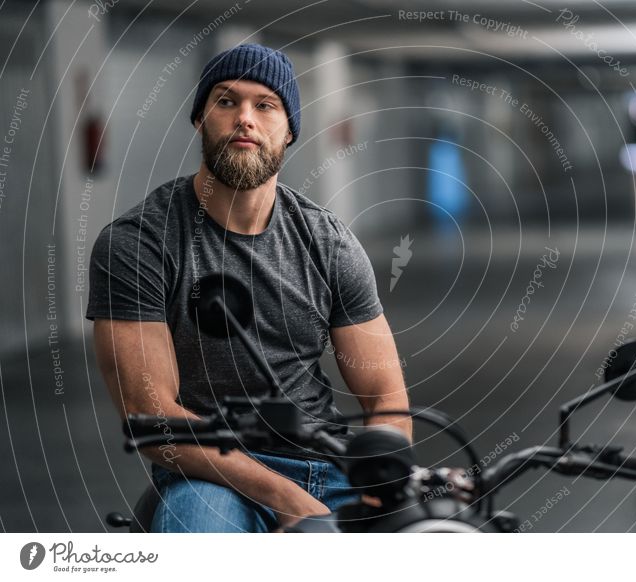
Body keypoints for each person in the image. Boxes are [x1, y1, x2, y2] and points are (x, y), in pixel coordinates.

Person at [87, 44, 411, 532]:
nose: (245, 118)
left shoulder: (328, 243)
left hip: (329, 465)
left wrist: (381, 475)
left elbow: (386, 399)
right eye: (225, 101)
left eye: (265, 105)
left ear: (289, 129)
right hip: (211, 472)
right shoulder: (138, 244)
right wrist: (284, 496)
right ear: (201, 120)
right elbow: (153, 421)